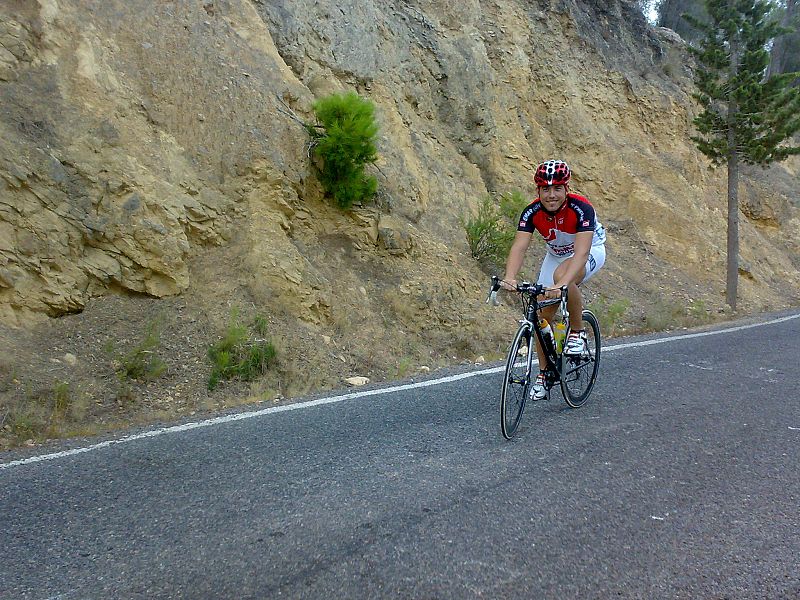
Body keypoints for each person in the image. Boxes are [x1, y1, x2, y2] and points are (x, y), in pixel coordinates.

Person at [501, 159, 606, 400]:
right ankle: (545, 373)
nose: (551, 195)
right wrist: (509, 277)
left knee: (563, 278)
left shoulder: (581, 208)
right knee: (540, 315)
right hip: (556, 255)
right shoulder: (532, 211)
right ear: (538, 191)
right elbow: (519, 247)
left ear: (566, 189)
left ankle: (577, 332)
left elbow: (580, 254)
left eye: (557, 188)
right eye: (546, 189)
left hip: (589, 251)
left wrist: (561, 285)